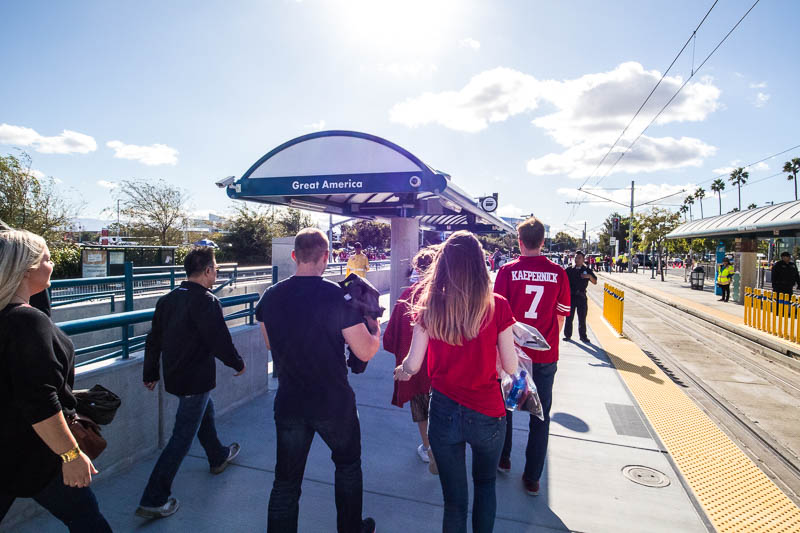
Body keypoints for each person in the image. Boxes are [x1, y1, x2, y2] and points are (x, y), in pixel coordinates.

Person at [257, 228, 381, 533]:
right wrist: (374, 327)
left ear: (294, 256)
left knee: (286, 482)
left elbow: (271, 344)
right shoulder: (336, 296)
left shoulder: (271, 296)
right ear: (326, 257)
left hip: (290, 402)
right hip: (333, 402)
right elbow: (364, 351)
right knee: (348, 466)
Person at [394, 231, 517, 533]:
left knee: (454, 502)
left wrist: (402, 371)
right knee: (486, 485)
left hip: (445, 411)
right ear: (480, 264)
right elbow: (512, 367)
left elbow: (413, 363)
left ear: (444, 263)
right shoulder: (497, 305)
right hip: (488, 412)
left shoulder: (430, 303)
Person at [0, 226, 112, 532]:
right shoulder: (26, 321)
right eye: (47, 259)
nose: (52, 265)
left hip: (9, 448)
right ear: (27, 269)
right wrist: (71, 455)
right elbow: (39, 399)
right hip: (35, 452)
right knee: (89, 521)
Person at [137, 246, 246, 519]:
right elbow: (219, 340)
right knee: (182, 437)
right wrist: (238, 363)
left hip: (175, 376)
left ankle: (218, 456)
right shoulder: (207, 301)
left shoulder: (168, 299)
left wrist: (150, 372)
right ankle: (154, 497)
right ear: (208, 271)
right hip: (195, 380)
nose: (216, 274)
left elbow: (154, 339)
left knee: (203, 413)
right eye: (216, 269)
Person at [493, 217, 571, 496]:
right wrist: (548, 342)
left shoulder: (507, 271)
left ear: (520, 241)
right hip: (545, 354)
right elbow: (561, 315)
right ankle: (533, 477)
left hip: (513, 353)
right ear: (542, 241)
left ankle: (503, 458)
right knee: (541, 415)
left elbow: (497, 316)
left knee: (506, 407)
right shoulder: (559, 273)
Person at [383, 246, 438, 474]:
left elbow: (390, 339)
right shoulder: (449, 295)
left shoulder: (408, 296)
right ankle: (444, 448)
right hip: (442, 371)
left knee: (421, 409)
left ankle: (428, 447)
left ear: (417, 268)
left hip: (415, 372)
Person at [564, 251, 598, 343]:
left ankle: (583, 336)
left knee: (582, 318)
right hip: (571, 296)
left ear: (583, 259)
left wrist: (588, 276)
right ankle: (567, 335)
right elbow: (562, 281)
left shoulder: (586, 270)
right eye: (575, 257)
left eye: (579, 258)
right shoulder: (569, 269)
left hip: (581, 297)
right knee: (569, 317)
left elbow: (595, 281)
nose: (577, 259)